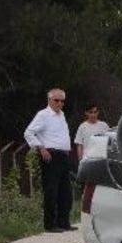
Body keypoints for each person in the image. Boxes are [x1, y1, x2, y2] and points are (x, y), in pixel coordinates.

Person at [23, 88, 75, 233]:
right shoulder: (43, 115)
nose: (60, 103)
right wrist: (41, 147)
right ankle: (50, 224)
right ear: (49, 100)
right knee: (51, 190)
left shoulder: (61, 115)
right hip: (51, 155)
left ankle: (63, 222)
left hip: (63, 155)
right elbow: (29, 132)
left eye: (62, 101)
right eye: (56, 100)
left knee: (66, 191)